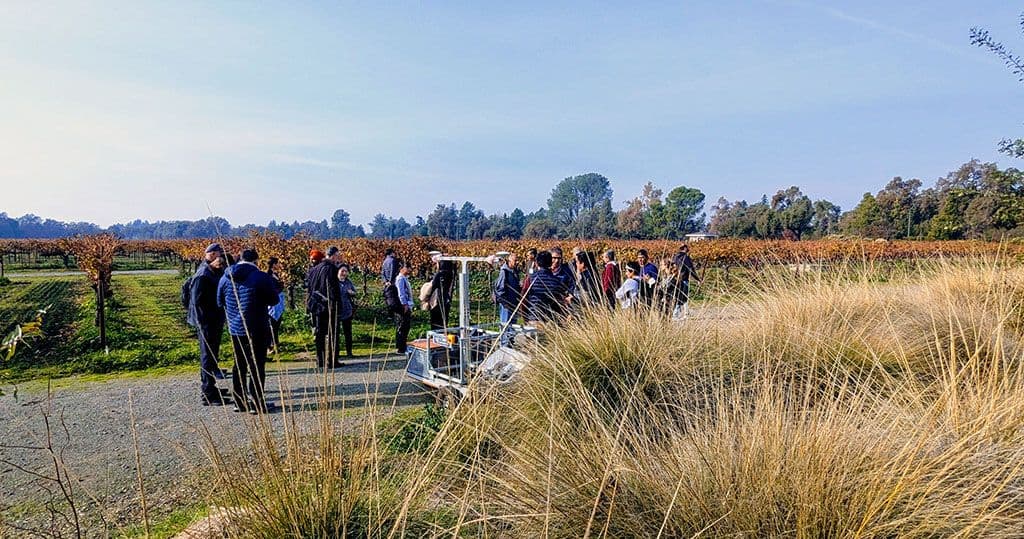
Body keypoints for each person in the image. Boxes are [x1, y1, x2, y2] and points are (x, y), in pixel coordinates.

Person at [217, 248, 280, 414]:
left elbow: (219, 301)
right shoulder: (261, 277)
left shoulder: (225, 277)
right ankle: (257, 403)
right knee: (257, 365)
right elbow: (274, 299)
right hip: (257, 326)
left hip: (235, 327)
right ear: (256, 261)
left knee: (239, 364)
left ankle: (239, 401)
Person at [187, 243, 227, 406]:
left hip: (212, 321)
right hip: (206, 323)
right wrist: (206, 323)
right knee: (207, 356)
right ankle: (208, 393)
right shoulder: (203, 275)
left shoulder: (211, 271)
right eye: (219, 254)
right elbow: (197, 302)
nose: (221, 258)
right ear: (210, 255)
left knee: (211, 356)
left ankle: (211, 387)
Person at [306, 248, 342, 369]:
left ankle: (319, 359)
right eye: (337, 255)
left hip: (315, 305)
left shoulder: (314, 269)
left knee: (319, 334)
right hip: (328, 306)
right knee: (333, 333)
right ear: (332, 256)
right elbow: (332, 288)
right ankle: (331, 360)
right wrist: (336, 304)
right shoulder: (331, 268)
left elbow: (309, 288)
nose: (338, 258)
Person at [524, 251, 568, 322]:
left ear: (536, 263)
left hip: (533, 319)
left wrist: (525, 318)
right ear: (551, 263)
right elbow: (559, 302)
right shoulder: (556, 281)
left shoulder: (530, 279)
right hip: (549, 321)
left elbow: (523, 298)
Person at [494, 252, 521, 343]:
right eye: (515, 260)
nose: (517, 262)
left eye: (518, 260)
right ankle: (504, 346)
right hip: (506, 305)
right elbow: (500, 289)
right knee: (505, 326)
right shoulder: (504, 272)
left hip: (514, 303)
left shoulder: (515, 272)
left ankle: (510, 344)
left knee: (512, 327)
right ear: (509, 260)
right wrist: (505, 303)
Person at [671, 244, 701, 318]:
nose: (688, 248)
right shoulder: (685, 257)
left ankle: (686, 312)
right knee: (683, 296)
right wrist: (697, 279)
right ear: (684, 248)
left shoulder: (675, 257)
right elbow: (690, 269)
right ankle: (676, 314)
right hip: (683, 279)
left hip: (676, 279)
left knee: (680, 296)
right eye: (687, 247)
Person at [425, 259, 456, 330]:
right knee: (444, 319)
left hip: (437, 299)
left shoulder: (440, 274)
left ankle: (436, 336)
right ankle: (442, 333)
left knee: (435, 319)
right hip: (446, 299)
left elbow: (433, 285)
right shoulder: (450, 274)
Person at [266, 257, 286, 355]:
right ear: (273, 264)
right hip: (272, 303)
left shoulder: (275, 275)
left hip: (278, 302)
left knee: (276, 325)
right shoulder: (268, 275)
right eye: (277, 264)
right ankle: (270, 345)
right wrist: (280, 286)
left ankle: (275, 344)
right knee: (271, 325)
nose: (278, 265)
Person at [337, 263, 357, 358]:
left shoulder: (348, 282)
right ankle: (336, 352)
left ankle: (349, 351)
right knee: (336, 333)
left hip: (347, 309)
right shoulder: (335, 282)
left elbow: (354, 292)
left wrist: (351, 293)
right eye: (342, 271)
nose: (344, 273)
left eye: (345, 271)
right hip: (337, 310)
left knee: (348, 332)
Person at [394, 261, 415, 354]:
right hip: (403, 306)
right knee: (403, 326)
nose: (410, 270)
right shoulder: (400, 279)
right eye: (408, 268)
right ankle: (400, 347)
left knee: (405, 326)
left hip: (407, 304)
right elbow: (401, 293)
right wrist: (404, 304)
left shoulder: (404, 278)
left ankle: (402, 345)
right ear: (402, 268)